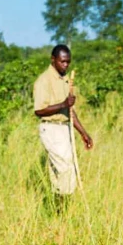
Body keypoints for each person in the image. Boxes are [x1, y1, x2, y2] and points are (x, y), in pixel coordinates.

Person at [33, 44, 94, 197]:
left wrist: (83, 133)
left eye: (68, 62)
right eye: (62, 61)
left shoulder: (66, 79)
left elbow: (70, 111)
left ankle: (58, 210)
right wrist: (63, 104)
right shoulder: (43, 80)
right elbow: (39, 110)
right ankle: (65, 203)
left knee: (59, 172)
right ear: (53, 60)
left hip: (64, 128)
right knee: (66, 169)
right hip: (51, 129)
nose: (66, 65)